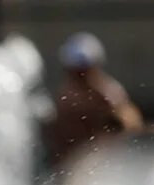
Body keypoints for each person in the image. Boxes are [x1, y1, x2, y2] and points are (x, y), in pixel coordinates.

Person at [46, 32, 142, 170]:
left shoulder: (109, 95)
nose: (81, 77)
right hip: (74, 168)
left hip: (105, 168)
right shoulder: (64, 99)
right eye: (76, 72)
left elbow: (133, 127)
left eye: (84, 71)